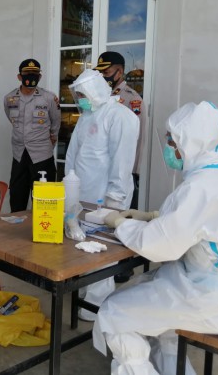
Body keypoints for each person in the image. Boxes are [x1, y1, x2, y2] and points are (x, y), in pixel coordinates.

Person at [95, 101, 218, 375]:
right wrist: (152, 216)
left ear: (188, 143)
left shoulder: (200, 186)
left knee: (114, 312)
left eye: (171, 140)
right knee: (148, 296)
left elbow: (160, 246)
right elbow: (204, 224)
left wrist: (119, 225)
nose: (168, 147)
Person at [65, 69, 139, 321]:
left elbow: (122, 161)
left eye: (83, 94)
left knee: (104, 249)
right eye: (78, 95)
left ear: (96, 90)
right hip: (82, 193)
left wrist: (115, 200)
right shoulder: (87, 115)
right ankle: (86, 291)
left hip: (105, 197)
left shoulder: (120, 116)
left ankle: (98, 303)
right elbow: (75, 155)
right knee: (84, 245)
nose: (80, 99)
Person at [95, 51, 145, 283]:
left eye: (106, 71)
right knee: (105, 222)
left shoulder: (130, 98)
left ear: (120, 71)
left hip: (124, 170)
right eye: (101, 72)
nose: (103, 76)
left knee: (123, 221)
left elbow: (134, 139)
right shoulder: (100, 97)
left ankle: (123, 267)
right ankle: (101, 265)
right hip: (104, 170)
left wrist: (131, 171)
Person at [3, 58, 60, 212]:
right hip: (19, 154)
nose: (31, 76)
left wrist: (49, 143)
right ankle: (17, 230)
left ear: (40, 77)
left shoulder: (49, 98)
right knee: (17, 196)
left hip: (42, 154)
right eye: (27, 73)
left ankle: (43, 230)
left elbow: (55, 124)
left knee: (44, 201)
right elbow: (11, 119)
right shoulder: (9, 98)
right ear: (19, 77)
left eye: (35, 73)